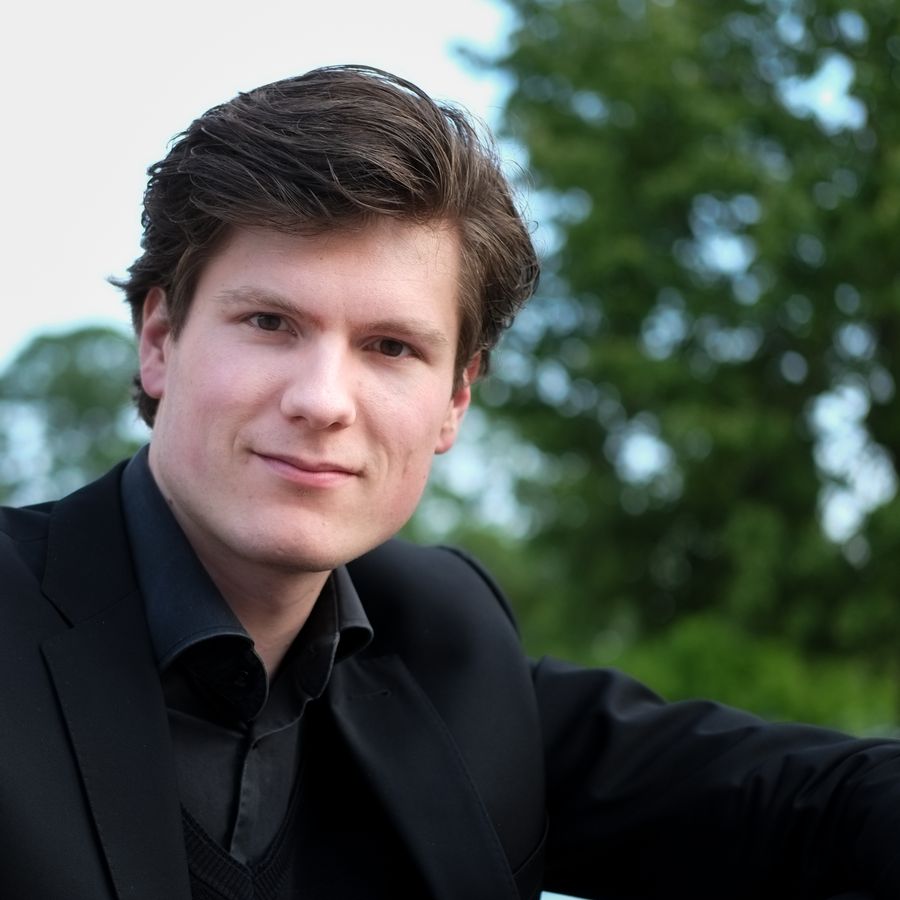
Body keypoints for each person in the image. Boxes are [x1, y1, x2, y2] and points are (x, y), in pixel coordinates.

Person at [0, 64, 897, 900]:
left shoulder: (443, 641)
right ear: (160, 341)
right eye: (270, 322)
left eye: (391, 347)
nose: (323, 400)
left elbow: (806, 802)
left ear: (454, 401)